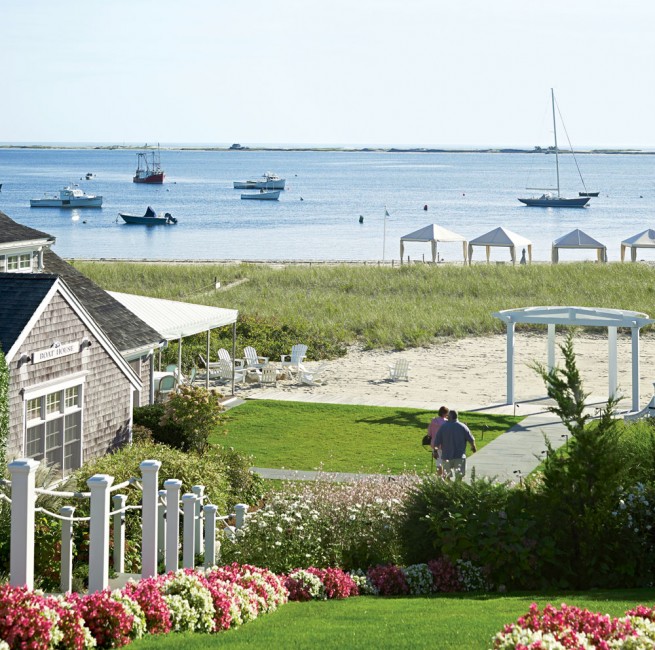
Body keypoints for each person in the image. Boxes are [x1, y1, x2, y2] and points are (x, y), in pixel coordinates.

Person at [434, 409, 477, 479]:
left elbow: (437, 441)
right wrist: (473, 447)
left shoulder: (443, 427)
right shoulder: (463, 426)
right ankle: (456, 488)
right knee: (459, 477)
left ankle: (450, 487)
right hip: (459, 456)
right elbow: (471, 439)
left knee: (447, 477)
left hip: (446, 457)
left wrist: (435, 451)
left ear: (450, 417)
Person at [428, 406, 449, 474]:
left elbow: (429, 433)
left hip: (435, 444)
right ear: (444, 414)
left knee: (438, 462)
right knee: (445, 462)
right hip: (444, 444)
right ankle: (445, 477)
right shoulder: (447, 422)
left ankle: (439, 478)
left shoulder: (433, 421)